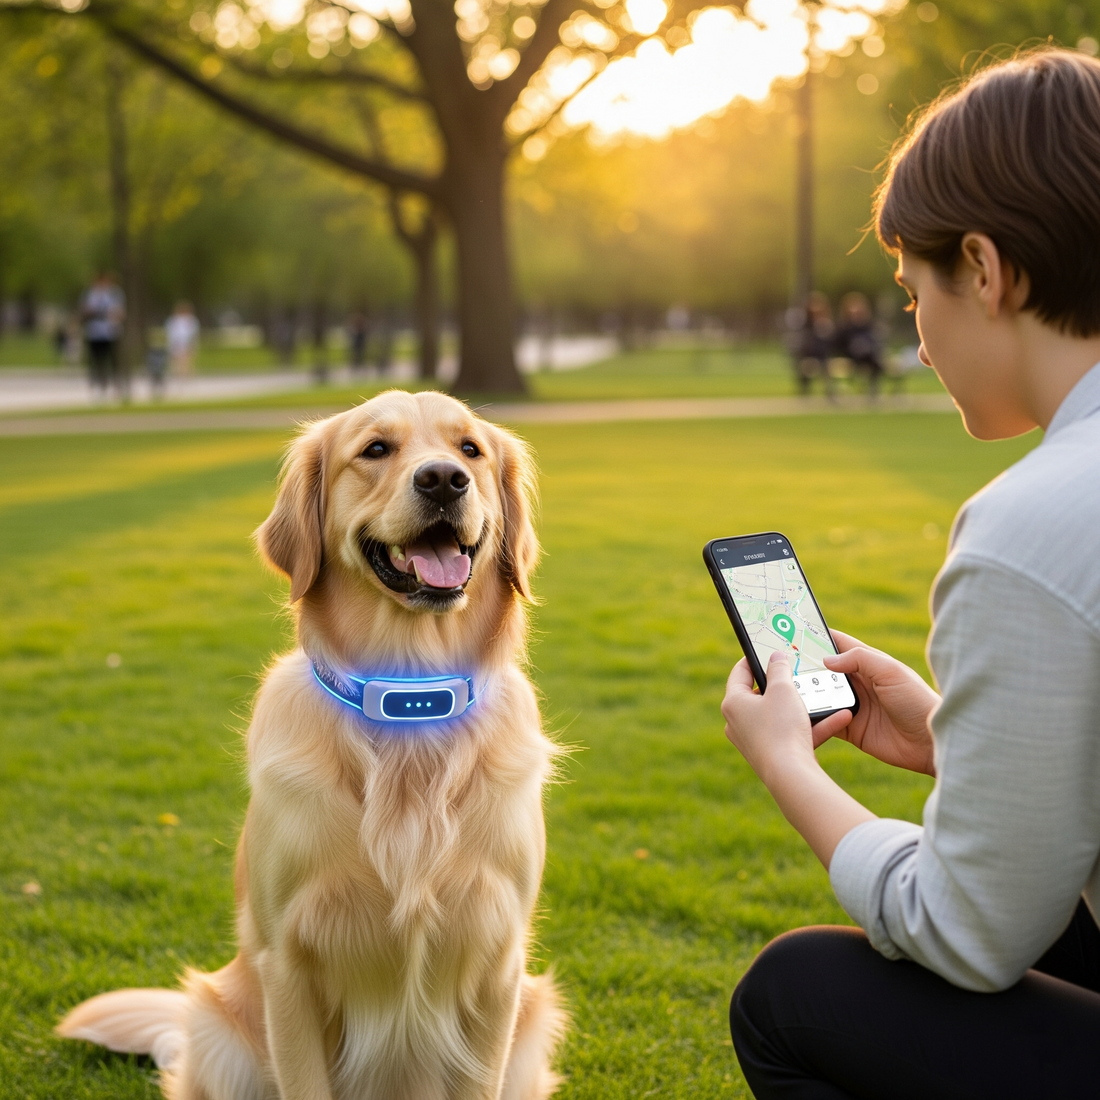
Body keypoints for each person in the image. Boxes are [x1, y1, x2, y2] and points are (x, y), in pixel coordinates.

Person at [722, 49, 1100, 1098]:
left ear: (982, 269)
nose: (919, 342)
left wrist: (789, 770)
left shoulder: (1029, 525)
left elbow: (966, 931)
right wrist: (950, 739)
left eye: (912, 291)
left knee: (792, 994)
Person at [80, 271, 126, 398]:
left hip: (110, 332)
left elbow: (120, 313)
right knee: (96, 359)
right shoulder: (90, 294)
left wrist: (110, 315)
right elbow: (85, 311)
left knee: (113, 360)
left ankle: (116, 384)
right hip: (94, 332)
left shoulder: (115, 294)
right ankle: (99, 384)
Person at [833, 290, 884, 395]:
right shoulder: (844, 327)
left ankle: (873, 389)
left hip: (867, 355)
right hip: (850, 355)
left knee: (874, 360)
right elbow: (838, 345)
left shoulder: (868, 326)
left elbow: (875, 341)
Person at [788, 291, 835, 396]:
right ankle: (805, 391)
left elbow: (831, 343)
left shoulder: (827, 324)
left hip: (823, 356)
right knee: (805, 365)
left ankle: (829, 391)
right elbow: (802, 343)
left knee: (825, 364)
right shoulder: (805, 325)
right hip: (808, 354)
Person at [165, 300, 200, 377]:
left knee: (187, 358)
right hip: (176, 341)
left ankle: (186, 373)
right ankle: (178, 373)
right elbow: (171, 332)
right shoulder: (173, 320)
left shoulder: (191, 320)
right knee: (177, 358)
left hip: (187, 341)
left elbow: (193, 332)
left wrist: (192, 342)